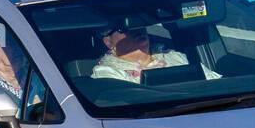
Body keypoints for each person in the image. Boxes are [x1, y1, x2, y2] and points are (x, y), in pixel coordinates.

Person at [91, 25, 220, 83]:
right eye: (124, 28)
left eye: (140, 24)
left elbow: (213, 83)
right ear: (108, 42)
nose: (137, 29)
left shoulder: (174, 56)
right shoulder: (106, 72)